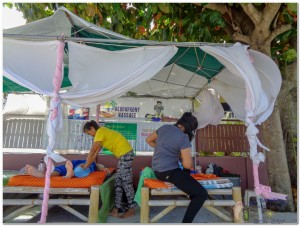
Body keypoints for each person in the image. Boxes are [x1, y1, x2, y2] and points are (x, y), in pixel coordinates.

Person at [146, 112, 208, 223]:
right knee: (201, 194)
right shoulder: (182, 137)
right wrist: (186, 173)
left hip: (157, 170)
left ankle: (190, 194)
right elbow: (187, 164)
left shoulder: (164, 128)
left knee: (190, 185)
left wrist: (163, 149)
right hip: (168, 172)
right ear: (188, 128)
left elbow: (148, 140)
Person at [83, 120, 135, 219]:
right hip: (123, 156)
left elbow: (92, 150)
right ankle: (116, 209)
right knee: (118, 183)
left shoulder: (100, 132)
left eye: (89, 133)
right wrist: (88, 163)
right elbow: (95, 153)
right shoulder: (101, 134)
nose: (91, 136)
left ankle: (131, 209)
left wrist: (85, 166)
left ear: (92, 128)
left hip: (126, 154)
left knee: (126, 183)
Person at [24, 160, 106, 178]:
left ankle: (45, 175)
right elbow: (100, 166)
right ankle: (43, 175)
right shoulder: (93, 163)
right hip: (80, 165)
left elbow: (100, 166)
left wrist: (104, 168)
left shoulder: (91, 163)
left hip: (73, 164)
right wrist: (104, 168)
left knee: (59, 170)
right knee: (82, 169)